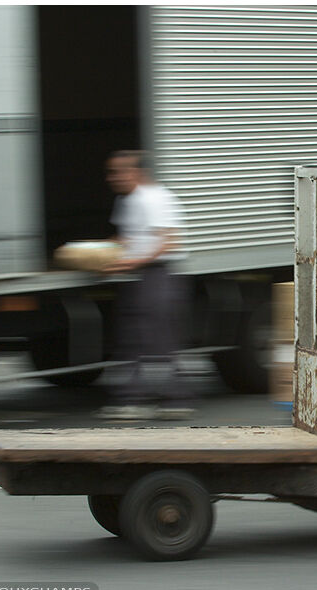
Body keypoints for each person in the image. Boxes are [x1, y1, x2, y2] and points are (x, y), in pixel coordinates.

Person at [96, 150, 193, 421]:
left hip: (158, 275)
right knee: (132, 338)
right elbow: (125, 237)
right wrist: (97, 252)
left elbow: (168, 241)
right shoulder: (127, 201)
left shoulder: (156, 198)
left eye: (117, 172)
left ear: (135, 172)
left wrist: (129, 263)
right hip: (139, 276)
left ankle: (175, 400)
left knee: (158, 339)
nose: (111, 178)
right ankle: (132, 398)